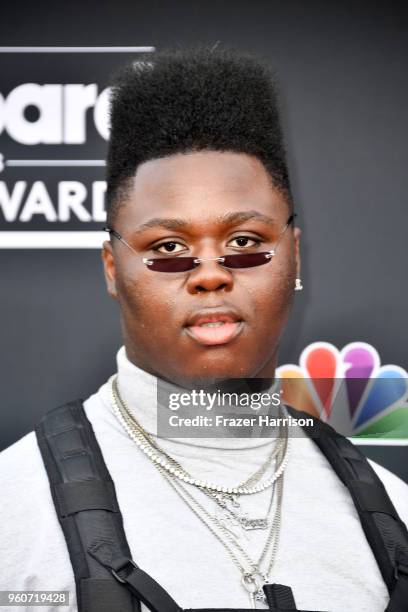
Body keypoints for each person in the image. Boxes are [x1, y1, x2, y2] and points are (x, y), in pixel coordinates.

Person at [0, 45, 407, 612]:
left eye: (245, 244)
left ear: (294, 255)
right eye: (168, 249)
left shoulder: (396, 510)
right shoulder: (12, 510)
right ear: (113, 270)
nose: (210, 275)